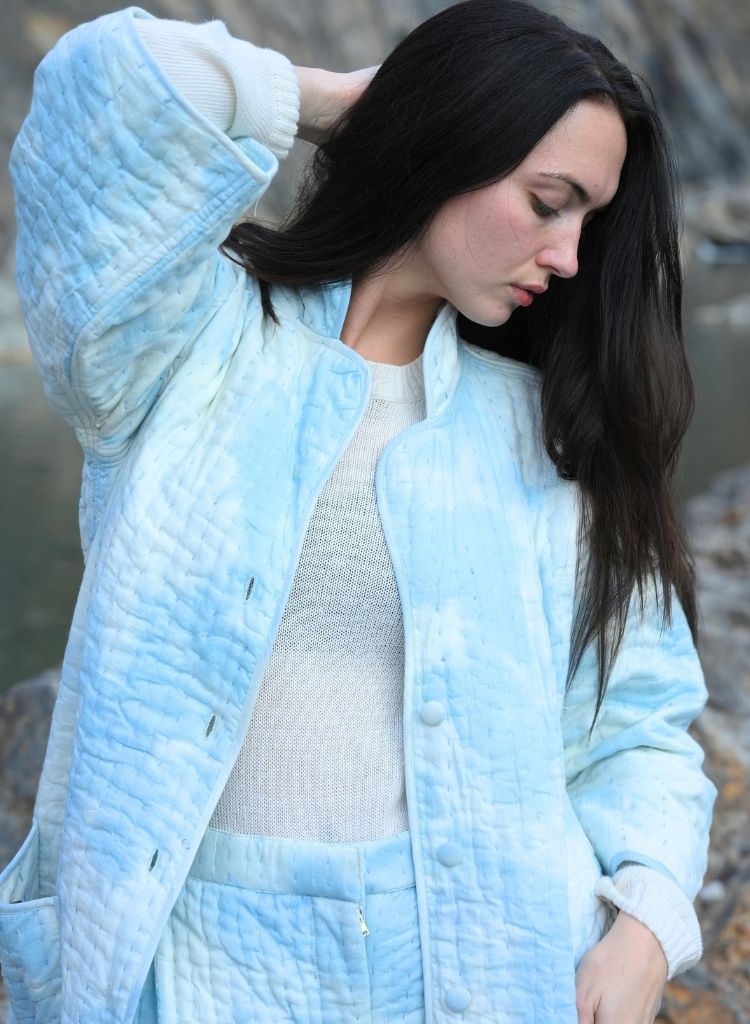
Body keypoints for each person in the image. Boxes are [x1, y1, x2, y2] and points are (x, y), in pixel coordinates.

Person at [0, 1, 717, 1022]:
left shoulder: (549, 432)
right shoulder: (185, 346)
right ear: (449, 142)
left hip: (480, 969)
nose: (567, 255)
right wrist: (334, 104)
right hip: (193, 971)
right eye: (548, 201)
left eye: (587, 223)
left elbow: (640, 721)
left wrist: (643, 926)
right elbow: (99, 90)